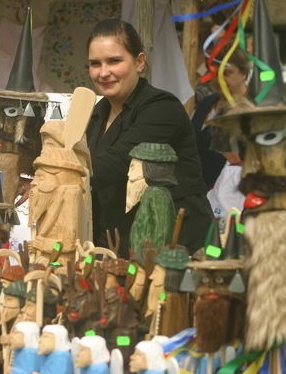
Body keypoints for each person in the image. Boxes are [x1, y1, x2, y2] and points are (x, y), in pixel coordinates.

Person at [85, 18, 211, 256]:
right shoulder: (97, 113)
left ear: (140, 62)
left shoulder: (162, 108)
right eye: (95, 64)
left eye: (114, 61)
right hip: (118, 246)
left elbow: (114, 163)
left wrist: (60, 169)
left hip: (175, 247)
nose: (103, 72)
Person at [191, 48, 250, 189]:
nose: (221, 79)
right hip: (197, 189)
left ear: (244, 74)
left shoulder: (252, 109)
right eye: (217, 73)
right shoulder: (207, 102)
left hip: (231, 194)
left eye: (228, 73)